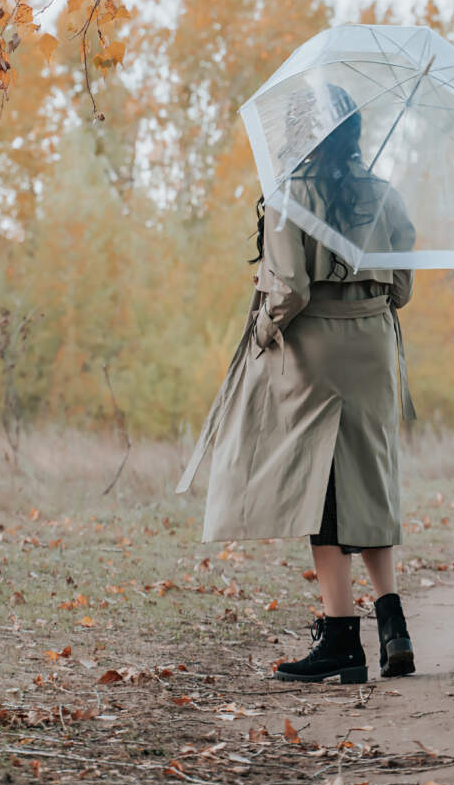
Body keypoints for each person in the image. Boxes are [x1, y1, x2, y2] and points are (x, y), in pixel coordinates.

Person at [177, 84, 416, 685]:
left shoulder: (290, 197)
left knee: (323, 491)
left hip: (316, 350)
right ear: (353, 131)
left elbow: (289, 290)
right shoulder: (385, 196)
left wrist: (260, 331)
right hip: (374, 345)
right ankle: (394, 626)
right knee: (369, 478)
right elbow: (404, 289)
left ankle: (341, 639)